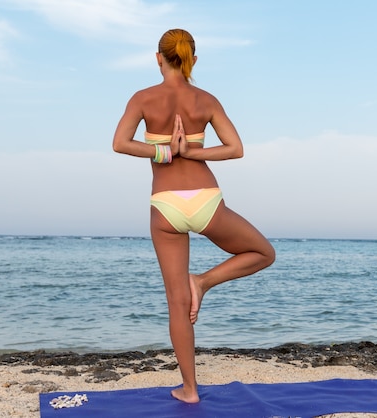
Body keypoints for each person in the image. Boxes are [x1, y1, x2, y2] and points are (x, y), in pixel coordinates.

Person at [112, 28, 275, 403]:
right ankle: (202, 282)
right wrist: (193, 152)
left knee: (175, 301)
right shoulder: (206, 99)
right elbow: (235, 149)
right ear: (193, 60)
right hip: (206, 199)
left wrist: (164, 153)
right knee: (263, 253)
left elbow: (120, 143)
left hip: (166, 205)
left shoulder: (143, 98)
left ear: (158, 58)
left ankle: (189, 390)